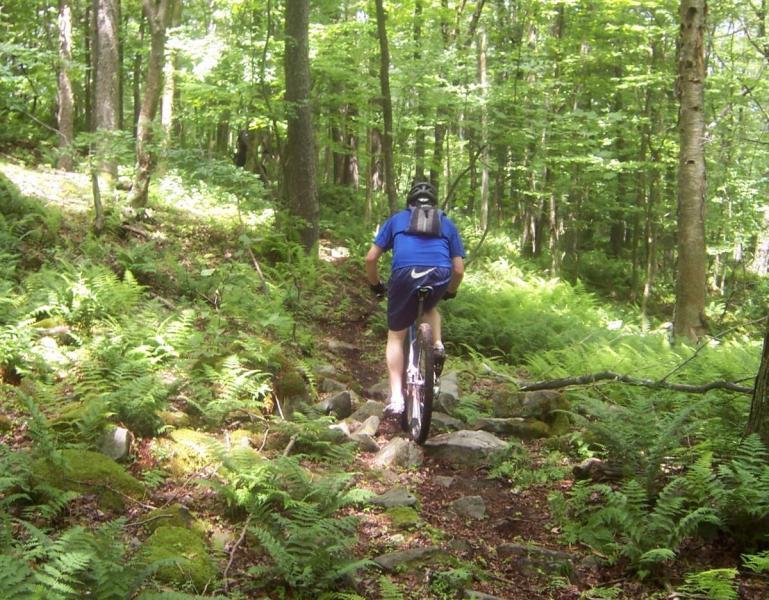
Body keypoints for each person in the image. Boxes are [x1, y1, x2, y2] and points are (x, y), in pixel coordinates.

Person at [365, 181, 465, 415]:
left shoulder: (397, 219)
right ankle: (438, 345)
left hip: (404, 273)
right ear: (434, 204)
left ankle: (398, 398)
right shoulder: (446, 223)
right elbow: (458, 269)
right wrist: (450, 290)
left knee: (395, 336)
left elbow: (371, 259)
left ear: (409, 202)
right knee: (431, 307)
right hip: (439, 272)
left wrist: (376, 286)